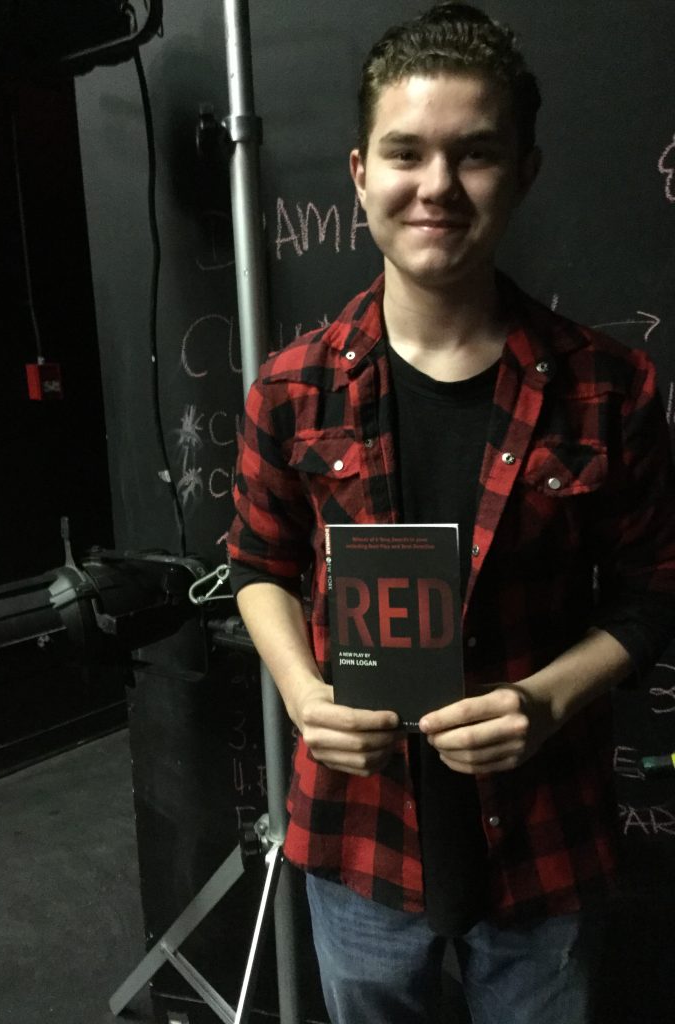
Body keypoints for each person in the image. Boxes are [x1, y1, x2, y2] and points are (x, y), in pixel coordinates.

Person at [227, 3, 675, 1022]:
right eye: (406, 153)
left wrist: (550, 699)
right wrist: (300, 691)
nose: (437, 186)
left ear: (524, 172)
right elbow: (259, 564)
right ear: (359, 174)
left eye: (475, 154)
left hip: (545, 843)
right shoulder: (291, 388)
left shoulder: (610, 387)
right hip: (361, 836)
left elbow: (657, 587)